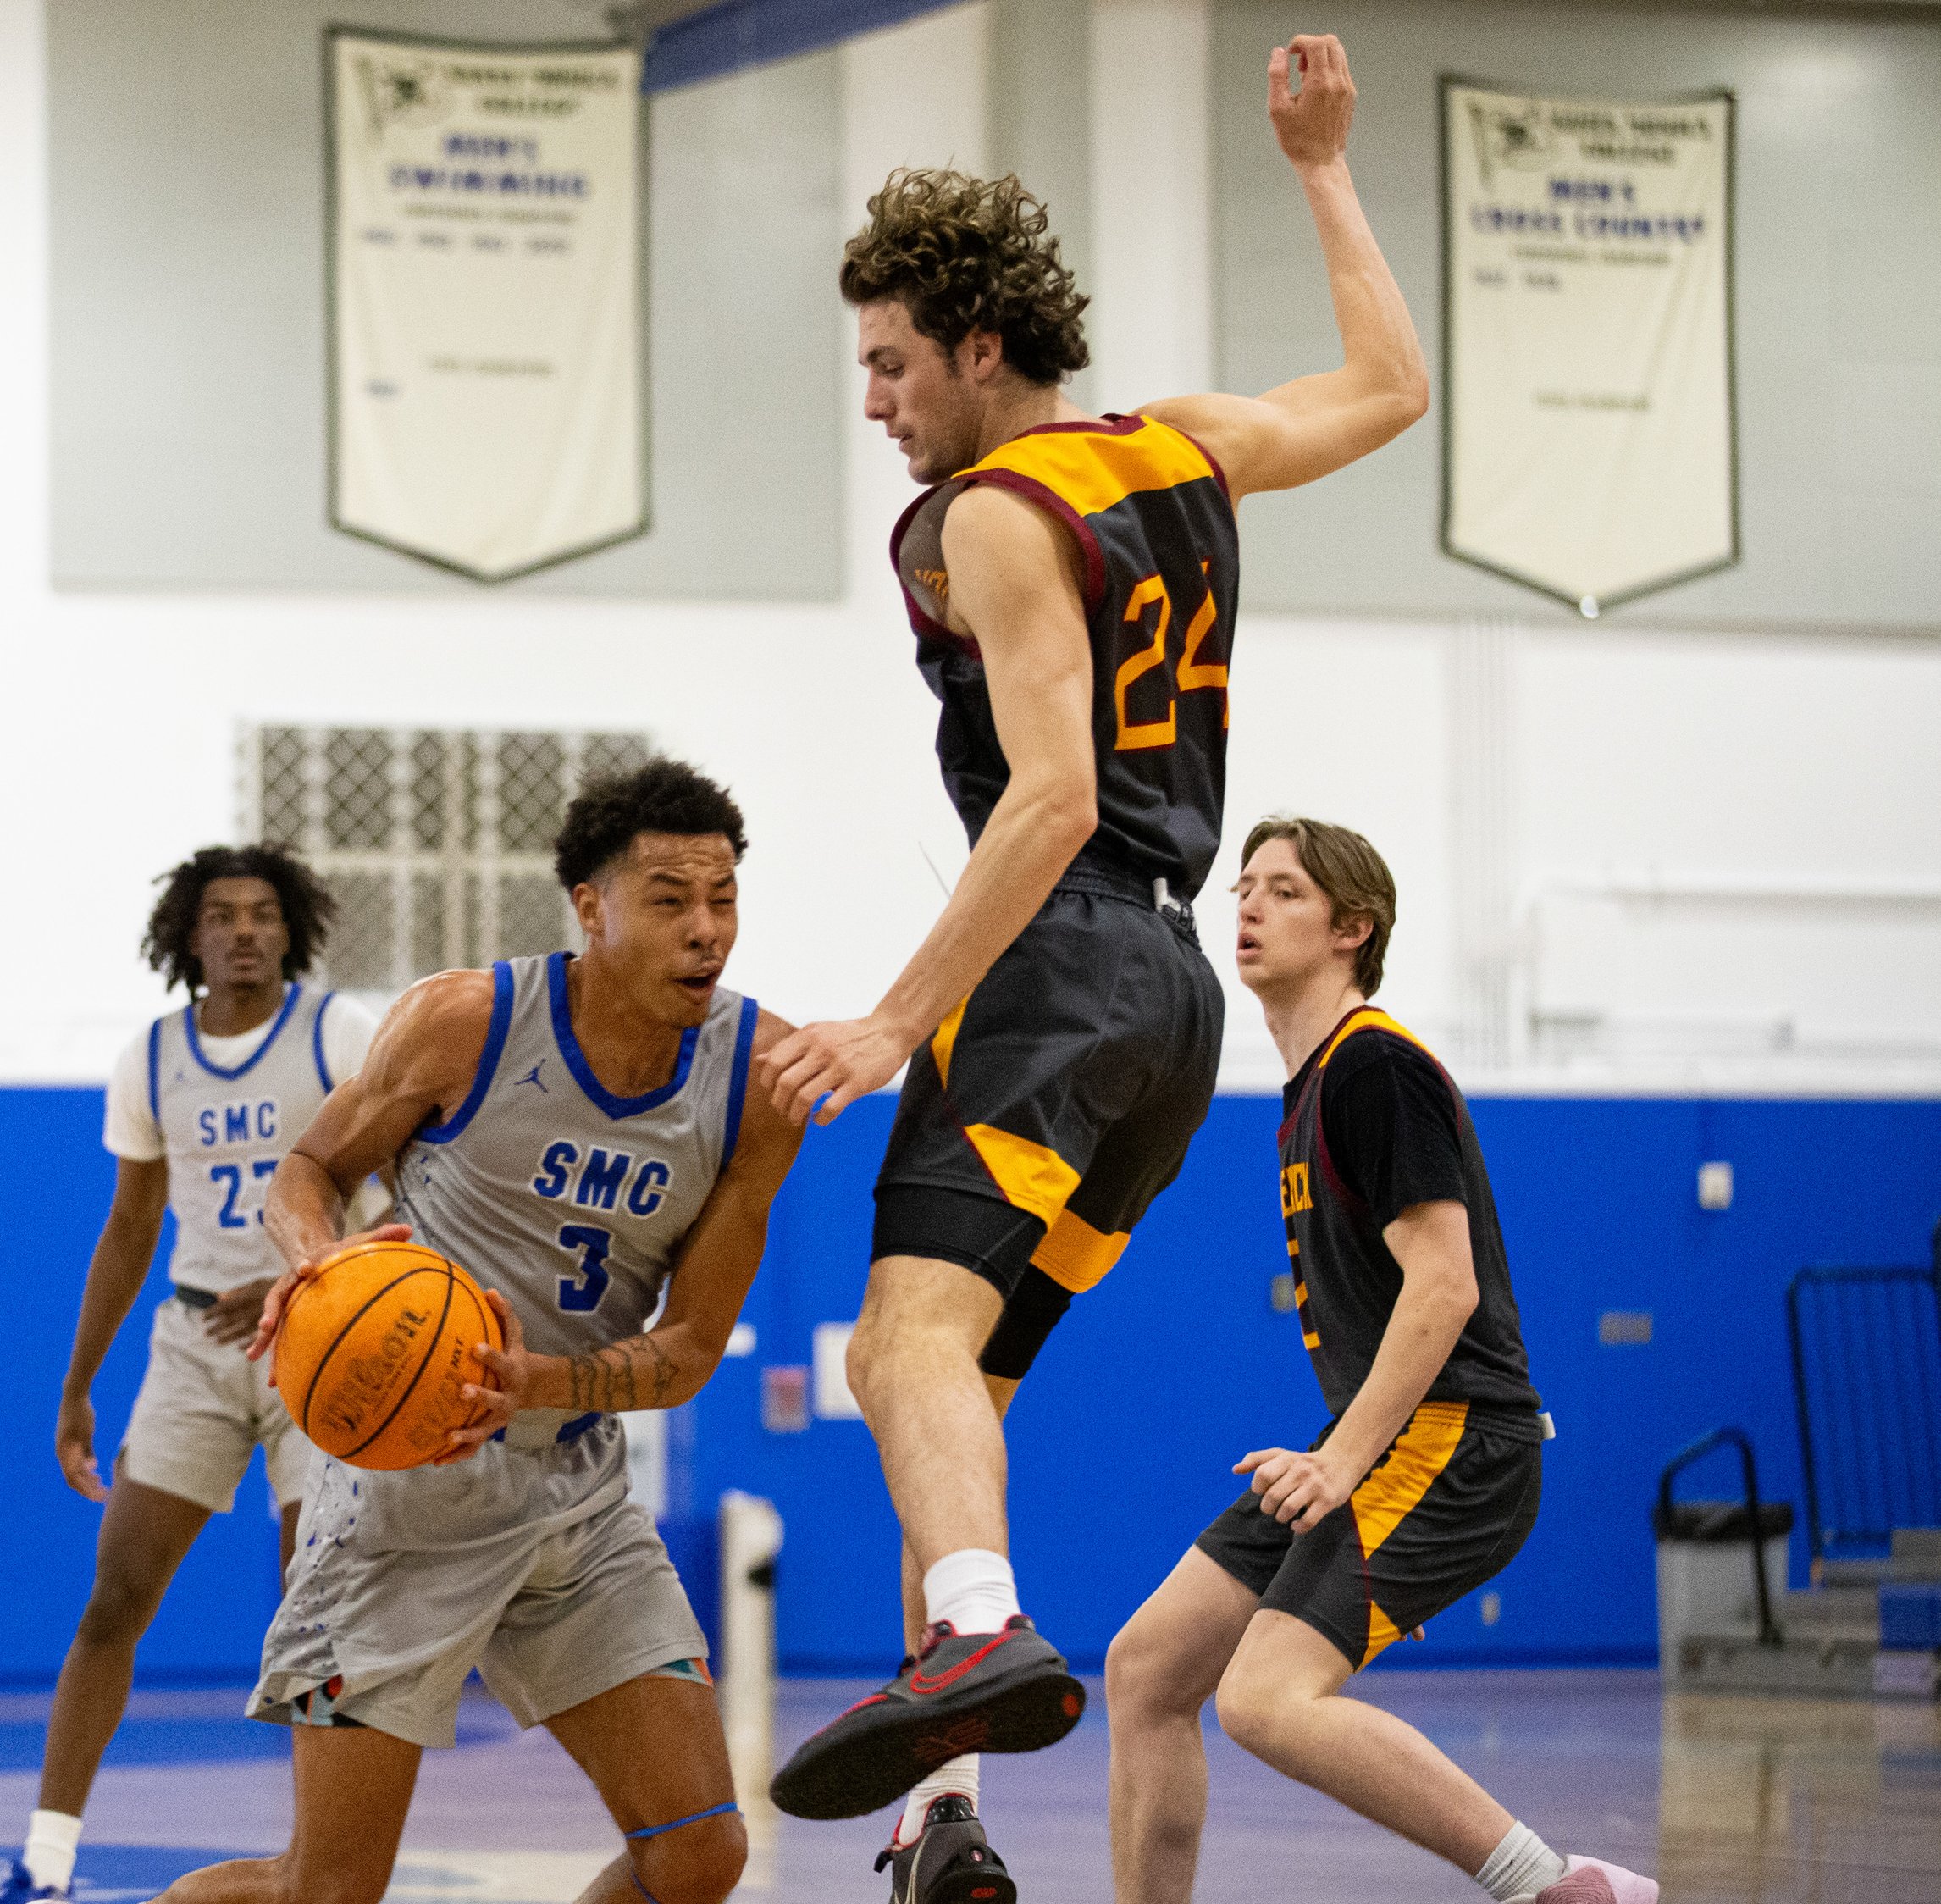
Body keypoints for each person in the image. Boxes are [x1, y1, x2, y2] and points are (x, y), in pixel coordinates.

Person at [760, 31, 1429, 1895]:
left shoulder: (986, 513)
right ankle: (942, 1814)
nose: (876, 401)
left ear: (978, 348)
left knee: (897, 1339)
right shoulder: (1180, 443)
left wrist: (898, 1011)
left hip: (1054, 966)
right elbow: (1390, 384)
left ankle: (974, 1636)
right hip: (1173, 1007)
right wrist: (1316, 168)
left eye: (890, 361)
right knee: (953, 1386)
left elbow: (1047, 796)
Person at [156, 759, 805, 1904]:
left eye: (723, 898)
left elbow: (693, 1347)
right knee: (327, 1888)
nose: (707, 930)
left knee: (701, 1852)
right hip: (401, 1508)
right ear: (590, 909)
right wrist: (329, 1274)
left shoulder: (754, 1076)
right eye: (669, 899)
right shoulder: (466, 1021)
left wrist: (538, 1382)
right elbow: (307, 1172)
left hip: (576, 1509)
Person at [1103, 817, 1654, 1904]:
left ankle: (1554, 1886)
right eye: (1243, 889)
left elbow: (1442, 1284)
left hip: (1457, 1442)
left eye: (1283, 892)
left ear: (1353, 927)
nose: (1247, 908)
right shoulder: (1308, 1087)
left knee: (1263, 1698)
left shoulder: (1375, 1069)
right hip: (1380, 1436)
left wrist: (1341, 1461)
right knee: (1149, 1669)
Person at [0, 846, 379, 1903]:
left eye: (263, 912)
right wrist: (79, 1385)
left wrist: (306, 1273)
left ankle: (317, 1859)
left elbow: (405, 1188)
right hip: (196, 1344)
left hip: (322, 1336)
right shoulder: (152, 1056)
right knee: (116, 1593)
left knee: (319, 1603)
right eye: (223, 914)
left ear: (289, 927)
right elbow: (128, 1227)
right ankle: (47, 1858)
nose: (245, 929)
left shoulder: (337, 1032)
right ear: (189, 934)